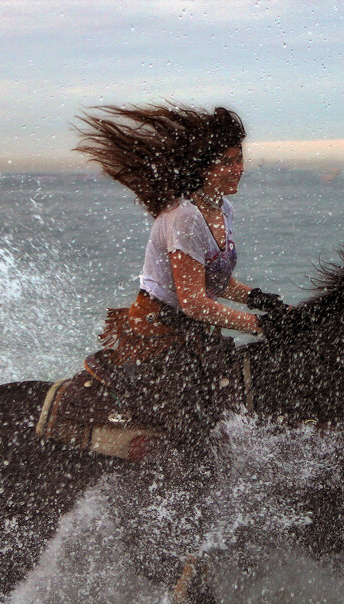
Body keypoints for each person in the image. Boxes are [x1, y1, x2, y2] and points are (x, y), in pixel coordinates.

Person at [73, 104, 289, 447]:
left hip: (192, 333)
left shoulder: (223, 209)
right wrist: (258, 325)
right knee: (194, 434)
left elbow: (216, 282)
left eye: (239, 159)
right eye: (227, 162)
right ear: (202, 168)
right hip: (159, 333)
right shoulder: (184, 217)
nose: (238, 169)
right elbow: (194, 303)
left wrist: (257, 298)